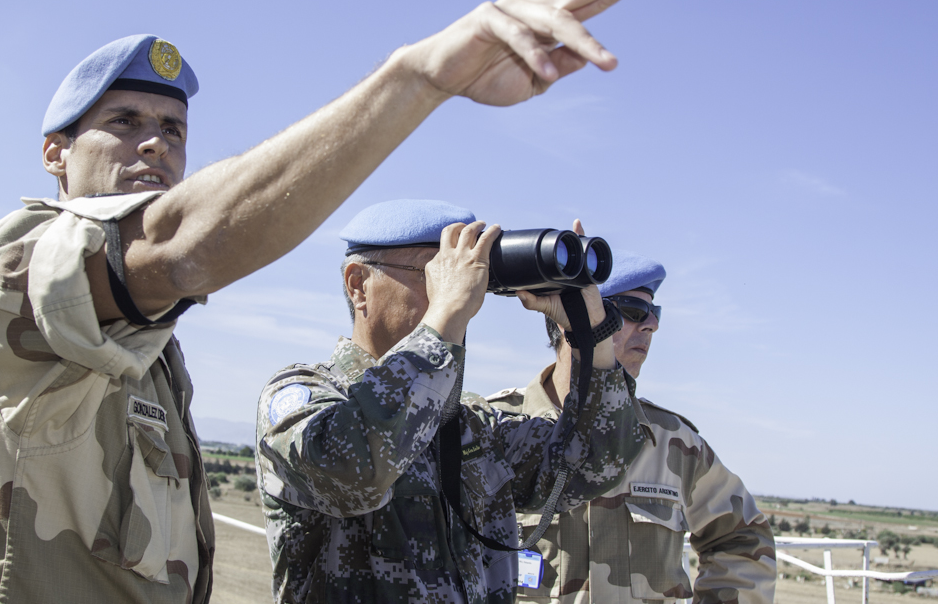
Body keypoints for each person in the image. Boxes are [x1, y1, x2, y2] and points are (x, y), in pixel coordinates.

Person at [0, 0, 662, 604]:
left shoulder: (147, 351)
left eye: (174, 128)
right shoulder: (8, 268)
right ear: (56, 153)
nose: (155, 141)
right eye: (123, 121)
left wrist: (587, 324)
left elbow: (596, 465)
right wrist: (418, 80)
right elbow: (352, 462)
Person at [255, 200, 649, 604]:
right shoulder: (303, 396)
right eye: (436, 273)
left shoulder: (472, 426)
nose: (463, 289)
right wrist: (445, 314)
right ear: (358, 285)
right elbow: (356, 474)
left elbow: (598, 463)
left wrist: (591, 332)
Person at [488, 250, 777, 604]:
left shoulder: (673, 442)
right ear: (571, 315)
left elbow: (743, 539)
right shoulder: (491, 429)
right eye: (633, 311)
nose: (650, 326)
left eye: (654, 315)